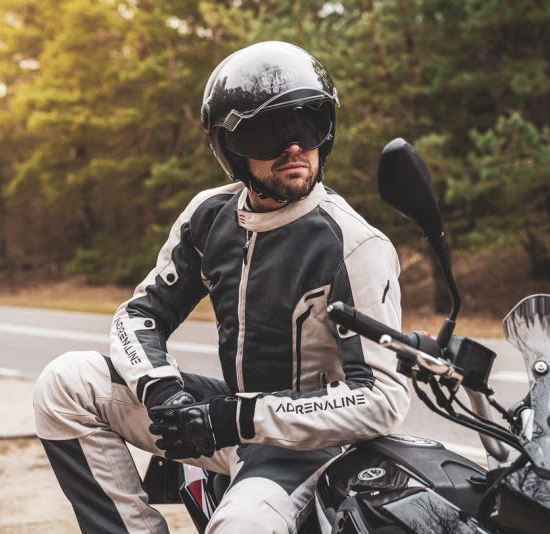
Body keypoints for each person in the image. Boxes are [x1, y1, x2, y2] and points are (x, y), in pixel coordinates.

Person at [33, 41, 410, 533]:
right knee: (65, 382)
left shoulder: (356, 245)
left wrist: (236, 419)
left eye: (308, 125)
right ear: (230, 148)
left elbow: (382, 399)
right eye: (268, 132)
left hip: (307, 448)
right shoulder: (209, 216)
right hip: (221, 420)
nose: (294, 147)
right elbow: (139, 316)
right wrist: (162, 392)